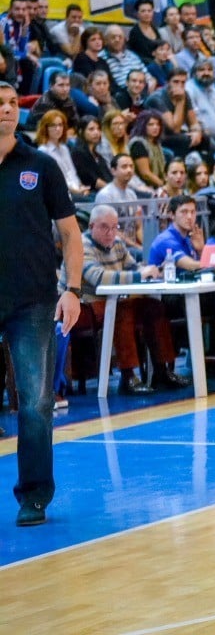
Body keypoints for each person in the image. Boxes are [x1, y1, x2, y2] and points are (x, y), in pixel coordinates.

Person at [0, 80, 83, 526]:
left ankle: (34, 495)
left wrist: (73, 289)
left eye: (13, 104)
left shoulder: (41, 165)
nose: (8, 110)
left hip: (32, 300)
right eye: (0, 104)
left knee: (34, 403)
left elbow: (70, 232)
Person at [64, 204, 187, 394]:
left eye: (115, 227)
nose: (111, 232)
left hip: (113, 301)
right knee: (122, 310)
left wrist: (147, 271)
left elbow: (133, 267)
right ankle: (128, 376)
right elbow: (98, 277)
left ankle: (162, 371)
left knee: (153, 306)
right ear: (91, 227)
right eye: (105, 227)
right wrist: (140, 276)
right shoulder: (81, 247)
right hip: (84, 305)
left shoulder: (118, 244)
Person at [35, 109, 90, 197]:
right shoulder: (43, 151)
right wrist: (76, 191)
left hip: (77, 191)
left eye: (60, 125)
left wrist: (81, 187)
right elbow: (53, 181)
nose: (58, 129)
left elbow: (72, 173)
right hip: (61, 195)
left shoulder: (64, 148)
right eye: (53, 125)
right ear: (45, 128)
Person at [148, 194, 204, 274]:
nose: (189, 217)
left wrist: (200, 250)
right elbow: (190, 266)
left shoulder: (189, 239)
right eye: (184, 212)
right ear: (172, 215)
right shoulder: (165, 240)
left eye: (193, 212)